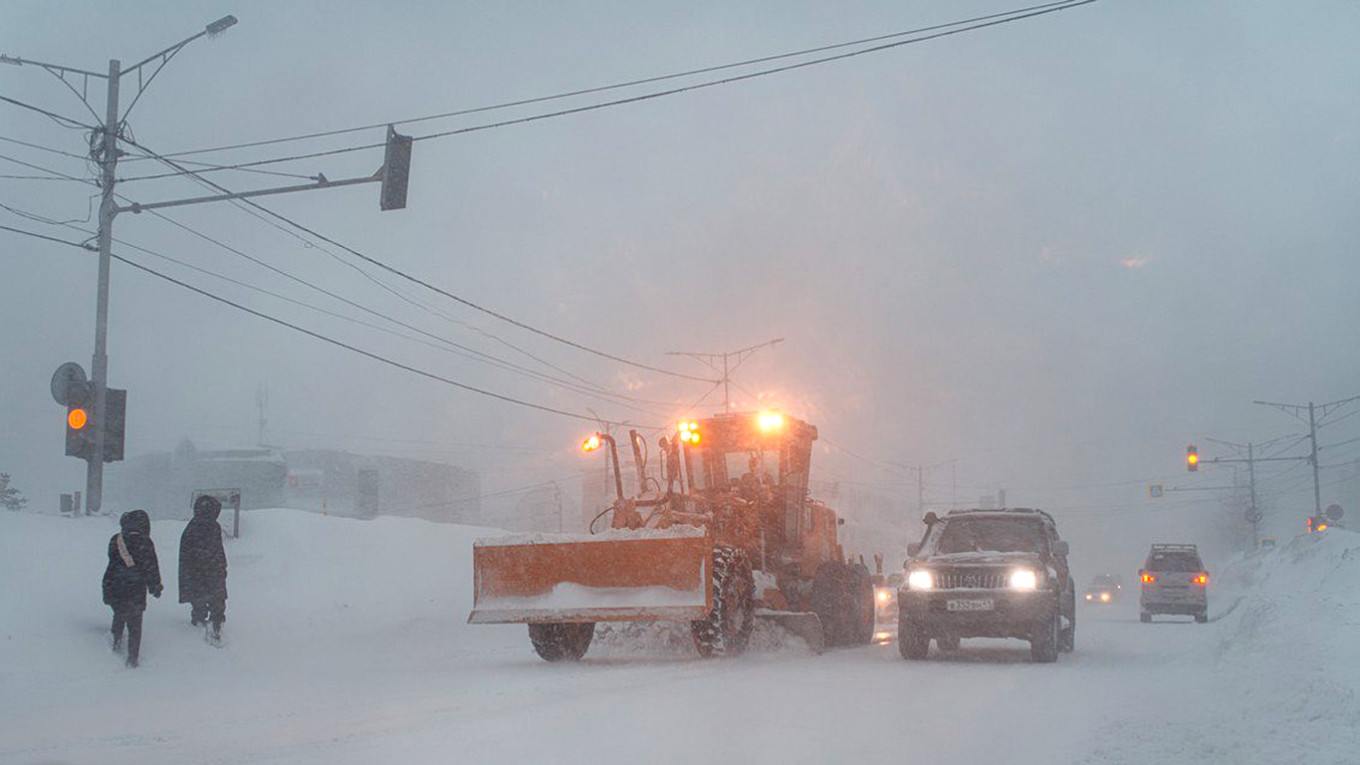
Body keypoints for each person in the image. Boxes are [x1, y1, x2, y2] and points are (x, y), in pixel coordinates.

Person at [101, 509, 163, 668]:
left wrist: (107, 588)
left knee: (119, 615)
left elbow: (112, 564)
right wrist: (155, 586)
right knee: (135, 623)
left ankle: (115, 643)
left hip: (116, 585)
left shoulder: (116, 540)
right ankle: (132, 657)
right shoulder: (146, 542)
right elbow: (151, 567)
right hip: (136, 589)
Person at [179, 495, 228, 641]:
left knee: (198, 597)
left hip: (195, 572)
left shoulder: (191, 527)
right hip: (213, 570)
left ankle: (199, 619)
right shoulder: (213, 526)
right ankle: (216, 622)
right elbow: (218, 550)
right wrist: (221, 566)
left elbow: (186, 553)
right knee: (217, 598)